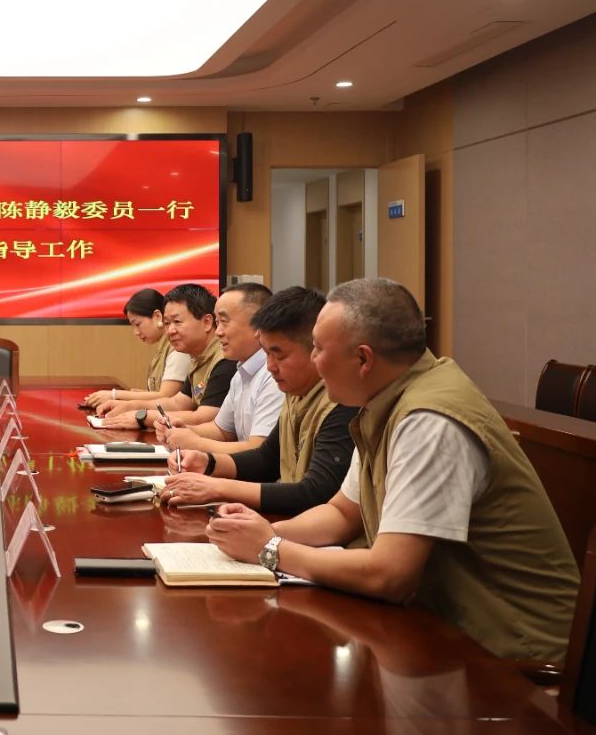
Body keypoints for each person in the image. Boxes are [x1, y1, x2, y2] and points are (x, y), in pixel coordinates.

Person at [207, 278, 579, 662]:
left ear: (363, 359)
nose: (313, 360)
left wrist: (270, 549)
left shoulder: (429, 420)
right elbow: (342, 514)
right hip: (444, 631)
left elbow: (389, 575)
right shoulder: (384, 401)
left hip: (513, 657)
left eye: (318, 348)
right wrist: (259, 532)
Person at [158, 287, 356, 515]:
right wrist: (208, 462)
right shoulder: (296, 392)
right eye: (267, 353)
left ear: (316, 349)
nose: (270, 366)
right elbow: (267, 459)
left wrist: (216, 487)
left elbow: (315, 493)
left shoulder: (342, 405)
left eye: (279, 355)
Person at [154, 283, 281, 455]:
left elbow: (258, 450)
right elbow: (222, 430)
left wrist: (195, 442)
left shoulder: (273, 374)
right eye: (217, 322)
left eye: (224, 322)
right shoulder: (241, 371)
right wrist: (183, 430)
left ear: (258, 325)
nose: (218, 332)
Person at [97, 284, 236, 430]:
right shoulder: (197, 356)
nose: (170, 330)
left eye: (177, 322)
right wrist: (130, 406)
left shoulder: (225, 360)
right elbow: (178, 403)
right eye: (167, 323)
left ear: (207, 322)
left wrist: (143, 417)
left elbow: (202, 418)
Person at [82, 288, 191, 409]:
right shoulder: (163, 348)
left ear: (157, 316)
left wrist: (114, 395)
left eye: (138, 324)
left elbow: (166, 396)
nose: (136, 332)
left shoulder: (178, 350)